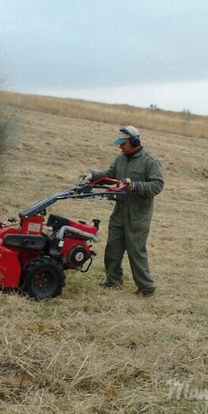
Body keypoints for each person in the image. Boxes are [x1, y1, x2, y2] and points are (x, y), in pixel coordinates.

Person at [78, 126, 164, 297]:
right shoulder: (121, 159)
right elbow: (109, 175)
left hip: (138, 214)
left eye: (123, 144)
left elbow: (157, 185)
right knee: (113, 248)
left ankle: (146, 287)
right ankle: (113, 280)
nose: (120, 147)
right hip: (120, 211)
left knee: (136, 251)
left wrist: (136, 185)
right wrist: (92, 175)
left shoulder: (150, 161)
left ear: (133, 142)